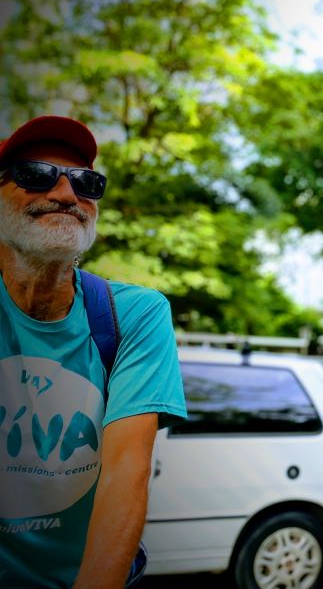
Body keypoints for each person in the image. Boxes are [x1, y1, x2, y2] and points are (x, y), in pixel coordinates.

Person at [0, 116, 187, 587]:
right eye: (35, 175)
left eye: (86, 183)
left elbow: (125, 476)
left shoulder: (135, 316)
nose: (66, 195)